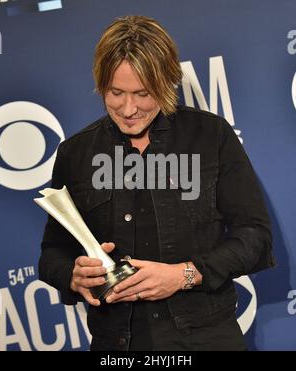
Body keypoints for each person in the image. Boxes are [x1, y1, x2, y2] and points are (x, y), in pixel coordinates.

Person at [39, 15, 275, 351]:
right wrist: (72, 276)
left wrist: (184, 275)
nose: (128, 108)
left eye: (142, 93)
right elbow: (53, 253)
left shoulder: (211, 136)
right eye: (115, 92)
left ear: (166, 83)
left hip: (205, 339)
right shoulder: (75, 153)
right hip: (116, 345)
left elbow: (255, 238)